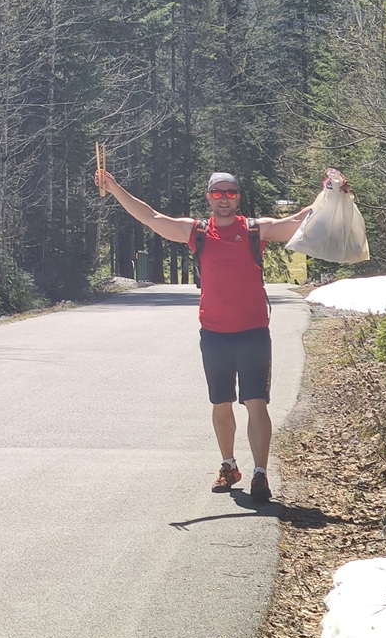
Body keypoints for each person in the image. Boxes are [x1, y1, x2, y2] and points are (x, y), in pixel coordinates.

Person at [94, 166, 314, 503]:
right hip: (214, 334)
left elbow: (299, 220)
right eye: (217, 193)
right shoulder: (196, 232)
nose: (223, 199)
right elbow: (151, 217)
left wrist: (330, 192)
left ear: (238, 197)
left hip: (253, 331)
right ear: (208, 197)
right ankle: (229, 466)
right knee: (220, 402)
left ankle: (260, 474)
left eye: (229, 193)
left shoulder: (256, 230)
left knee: (256, 403)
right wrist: (114, 188)